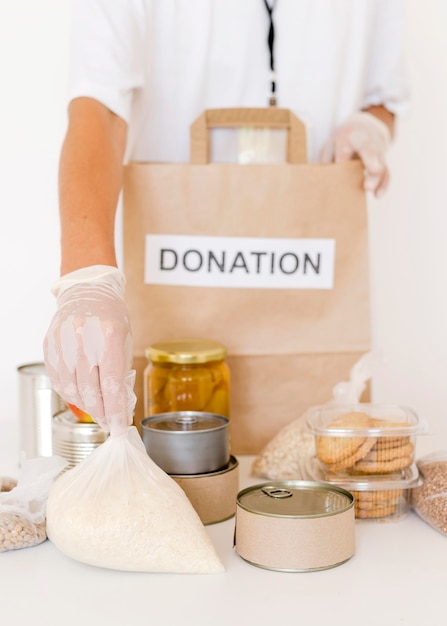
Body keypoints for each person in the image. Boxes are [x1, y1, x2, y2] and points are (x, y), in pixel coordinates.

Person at [43, 0, 409, 436]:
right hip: (175, 280)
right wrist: (86, 280)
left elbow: (383, 97)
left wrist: (371, 125)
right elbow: (97, 109)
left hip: (308, 253)